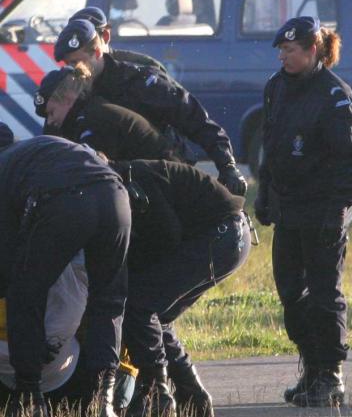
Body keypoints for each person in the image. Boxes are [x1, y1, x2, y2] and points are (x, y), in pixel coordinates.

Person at [254, 16, 352, 408]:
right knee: (290, 293)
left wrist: (337, 212)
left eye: (291, 50)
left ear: (313, 50)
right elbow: (271, 143)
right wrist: (265, 193)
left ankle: (331, 376)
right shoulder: (276, 88)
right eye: (281, 51)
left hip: (323, 211)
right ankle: (313, 368)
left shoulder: (335, 95)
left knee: (323, 294)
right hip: (289, 210)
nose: (284, 56)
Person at [0, 126, 131, 417]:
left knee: (25, 293)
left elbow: (7, 260)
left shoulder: (5, 168)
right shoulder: (36, 151)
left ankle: (29, 396)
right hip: (116, 195)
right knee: (108, 301)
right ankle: (103, 400)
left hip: (67, 200)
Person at [108, 158, 251, 417]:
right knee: (155, 317)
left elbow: (167, 234)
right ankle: (193, 398)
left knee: (140, 305)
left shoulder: (133, 181)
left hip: (222, 234)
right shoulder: (128, 178)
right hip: (229, 235)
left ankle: (157, 394)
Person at [52, 19, 248, 197]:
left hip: (161, 179)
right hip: (110, 187)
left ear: (96, 52)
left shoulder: (141, 82)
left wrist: (227, 165)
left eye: (77, 62)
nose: (73, 70)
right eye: (68, 64)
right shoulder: (74, 93)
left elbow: (195, 119)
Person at [35, 64, 182, 162]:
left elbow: (93, 170)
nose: (50, 121)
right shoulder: (92, 109)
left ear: (67, 99)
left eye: (52, 113)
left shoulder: (94, 119)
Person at [69, 7, 168, 73]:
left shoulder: (144, 68)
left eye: (87, 41)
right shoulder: (70, 75)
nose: (80, 49)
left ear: (105, 36)